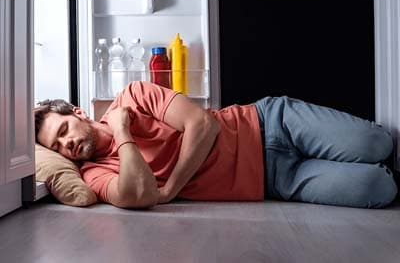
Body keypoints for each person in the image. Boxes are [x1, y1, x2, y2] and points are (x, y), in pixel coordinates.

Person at [34, 81, 398, 209]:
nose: (68, 143)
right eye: (58, 144)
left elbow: (202, 125)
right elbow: (138, 196)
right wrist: (124, 135)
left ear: (79, 112)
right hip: (275, 181)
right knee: (380, 187)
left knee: (377, 142)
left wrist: (172, 188)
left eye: (64, 128)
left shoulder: (133, 95)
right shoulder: (96, 173)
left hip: (271, 123)